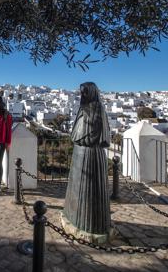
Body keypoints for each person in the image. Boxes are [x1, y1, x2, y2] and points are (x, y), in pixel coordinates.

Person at [63, 82, 112, 237]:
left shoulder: (97, 108)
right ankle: (74, 217)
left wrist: (82, 140)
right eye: (81, 93)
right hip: (81, 153)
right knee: (77, 189)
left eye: (85, 93)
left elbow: (92, 133)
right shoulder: (84, 108)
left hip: (90, 155)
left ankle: (88, 225)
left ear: (91, 92)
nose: (82, 96)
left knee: (89, 192)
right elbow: (78, 131)